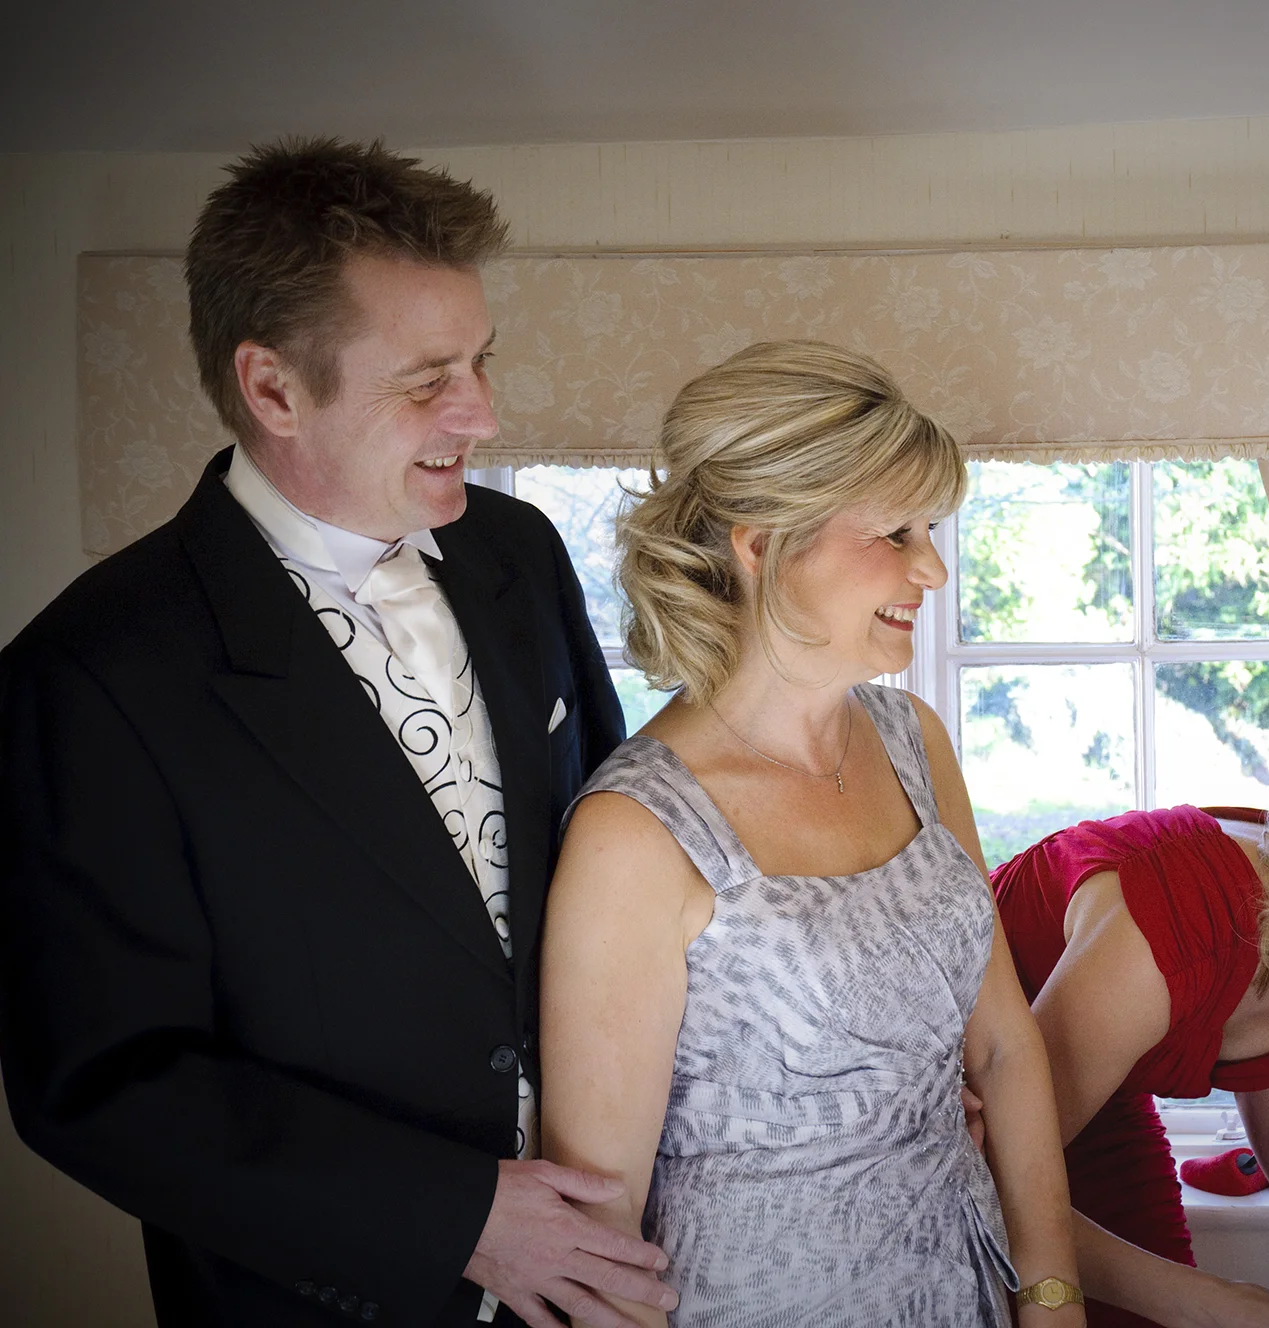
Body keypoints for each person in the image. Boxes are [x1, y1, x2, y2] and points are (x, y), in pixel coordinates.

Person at [0, 139, 666, 1327]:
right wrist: (454, 1215)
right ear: (272, 389)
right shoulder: (91, 674)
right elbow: (103, 1081)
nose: (483, 411)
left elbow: (616, 871)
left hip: (604, 1275)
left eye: (480, 361)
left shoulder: (520, 558)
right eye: (427, 380)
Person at [537, 340, 1084, 1327]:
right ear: (762, 543)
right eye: (896, 531)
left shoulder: (911, 739)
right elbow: (598, 1224)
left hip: (968, 1287)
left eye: (931, 528)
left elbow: (1002, 1043)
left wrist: (1050, 1295)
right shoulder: (637, 832)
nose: (933, 566)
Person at [991, 782, 1269, 1328]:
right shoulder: (1185, 921)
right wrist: (1223, 1303)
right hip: (960, 1089)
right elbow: (986, 1182)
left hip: (1097, 1082)